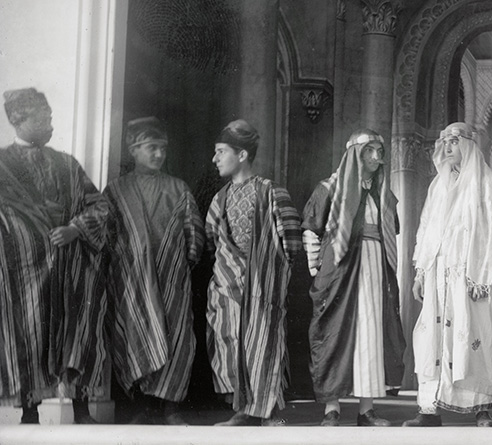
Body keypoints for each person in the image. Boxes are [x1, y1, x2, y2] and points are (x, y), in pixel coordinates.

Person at [0, 88, 112, 424]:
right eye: (42, 117)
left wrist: (76, 228)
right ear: (19, 120)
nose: (50, 122)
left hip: (70, 266)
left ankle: (80, 407)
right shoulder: (2, 165)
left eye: (50, 116)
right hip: (23, 270)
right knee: (28, 330)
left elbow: (99, 204)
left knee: (76, 329)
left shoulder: (67, 164)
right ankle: (29, 409)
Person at [105, 117, 204, 425]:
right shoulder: (116, 191)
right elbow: (107, 236)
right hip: (131, 282)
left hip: (172, 280)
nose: (159, 154)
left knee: (176, 338)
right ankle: (141, 407)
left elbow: (194, 233)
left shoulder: (178, 188)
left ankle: (171, 408)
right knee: (134, 334)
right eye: (151, 148)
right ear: (134, 150)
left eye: (162, 148)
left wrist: (180, 263)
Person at [303, 129, 406, 427]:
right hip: (339, 273)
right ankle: (331, 409)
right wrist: (317, 269)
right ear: (353, 154)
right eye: (369, 150)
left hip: (373, 269)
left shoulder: (383, 192)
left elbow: (390, 230)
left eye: (379, 151)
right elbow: (312, 230)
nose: (376, 157)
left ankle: (366, 410)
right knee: (334, 333)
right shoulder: (330, 188)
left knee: (370, 335)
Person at [407, 122, 492, 427]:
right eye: (444, 143)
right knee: (432, 337)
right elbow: (426, 227)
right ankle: (429, 409)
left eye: (453, 141)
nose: (447, 148)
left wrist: (487, 273)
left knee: (477, 336)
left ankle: (481, 408)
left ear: (467, 144)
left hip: (472, 275)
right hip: (440, 273)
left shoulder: (487, 182)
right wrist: (420, 271)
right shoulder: (438, 185)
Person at [205, 119, 302, 427]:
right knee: (230, 340)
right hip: (228, 285)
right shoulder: (218, 199)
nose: (215, 159)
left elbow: (291, 241)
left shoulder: (270, 191)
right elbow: (212, 240)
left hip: (264, 286)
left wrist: (271, 275)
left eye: (221, 152)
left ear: (242, 154)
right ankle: (245, 409)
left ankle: (269, 411)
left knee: (264, 343)